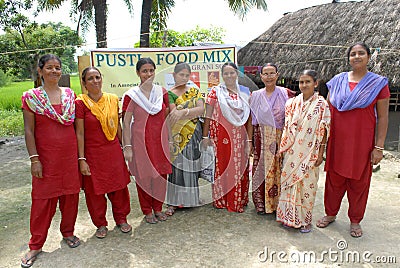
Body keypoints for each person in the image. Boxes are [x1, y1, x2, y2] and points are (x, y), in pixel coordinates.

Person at [317, 43, 390, 238]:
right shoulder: (337, 81)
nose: (356, 56)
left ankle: (355, 220)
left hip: (362, 144)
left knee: (359, 183)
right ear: (348, 58)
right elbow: (327, 113)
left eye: (361, 53)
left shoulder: (378, 84)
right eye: (353, 54)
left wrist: (379, 147)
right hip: (337, 141)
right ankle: (330, 214)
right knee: (334, 180)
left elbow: (383, 117)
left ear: (368, 57)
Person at [20, 54, 81, 267]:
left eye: (57, 67)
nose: (54, 71)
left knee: (70, 196)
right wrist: (34, 159)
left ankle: (68, 232)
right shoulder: (31, 97)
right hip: (45, 157)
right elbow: (29, 130)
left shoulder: (69, 95)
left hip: (69, 156)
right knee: (42, 200)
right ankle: (36, 244)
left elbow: (77, 128)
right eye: (49, 67)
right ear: (40, 71)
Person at [75, 67, 132, 239]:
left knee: (119, 187)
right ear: (84, 84)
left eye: (97, 77)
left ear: (102, 79)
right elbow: (80, 133)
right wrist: (82, 159)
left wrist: (125, 147)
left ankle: (121, 219)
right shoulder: (81, 103)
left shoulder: (112, 99)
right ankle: (100, 224)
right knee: (95, 192)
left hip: (113, 151)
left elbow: (118, 127)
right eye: (90, 79)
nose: (95, 81)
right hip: (92, 154)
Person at [276, 70, 330, 233]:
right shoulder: (291, 103)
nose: (304, 85)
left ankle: (305, 221)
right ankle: (288, 217)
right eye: (301, 82)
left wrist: (321, 153)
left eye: (307, 82)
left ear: (315, 83)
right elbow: (287, 127)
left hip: (310, 153)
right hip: (292, 152)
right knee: (289, 185)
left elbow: (325, 129)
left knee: (308, 187)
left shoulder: (322, 104)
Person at [122, 57, 171, 224]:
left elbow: (167, 118)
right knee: (144, 177)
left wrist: (170, 140)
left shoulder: (162, 93)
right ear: (138, 73)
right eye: (144, 71)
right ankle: (147, 210)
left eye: (151, 70)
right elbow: (126, 122)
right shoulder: (131, 96)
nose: (148, 74)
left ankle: (158, 208)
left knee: (161, 175)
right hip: (140, 142)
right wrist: (127, 147)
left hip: (160, 141)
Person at [202, 62, 252, 213]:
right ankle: (222, 200)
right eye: (226, 73)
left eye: (232, 73)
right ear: (222, 75)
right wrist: (205, 136)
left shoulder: (244, 93)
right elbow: (207, 116)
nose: (229, 76)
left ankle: (237, 201)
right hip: (220, 138)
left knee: (238, 168)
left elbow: (249, 118)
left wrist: (249, 140)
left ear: (237, 74)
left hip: (239, 138)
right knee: (222, 167)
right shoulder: (215, 92)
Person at [249, 63, 290, 215]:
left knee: (278, 168)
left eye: (272, 73)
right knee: (260, 169)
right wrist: (250, 142)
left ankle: (277, 203)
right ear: (261, 76)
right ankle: (261, 203)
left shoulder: (286, 94)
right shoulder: (255, 96)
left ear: (277, 75)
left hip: (280, 137)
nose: (269, 77)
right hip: (261, 137)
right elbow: (251, 120)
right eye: (265, 74)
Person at [165, 62, 205, 216]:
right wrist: (190, 111)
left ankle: (191, 198)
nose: (184, 78)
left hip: (194, 133)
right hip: (177, 134)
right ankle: (174, 202)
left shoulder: (194, 91)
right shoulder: (170, 93)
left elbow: (201, 109)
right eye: (181, 74)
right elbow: (174, 114)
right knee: (177, 167)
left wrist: (186, 111)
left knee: (192, 165)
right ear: (174, 75)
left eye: (187, 75)